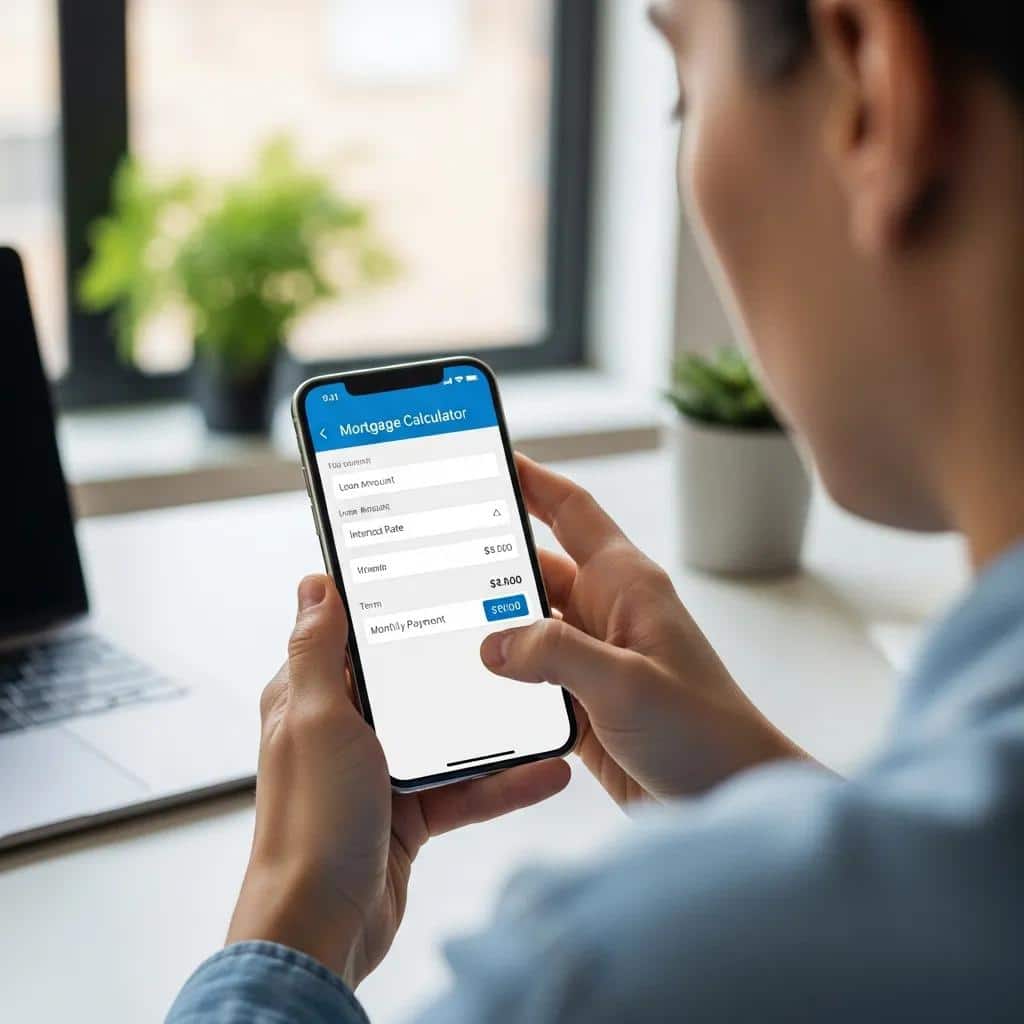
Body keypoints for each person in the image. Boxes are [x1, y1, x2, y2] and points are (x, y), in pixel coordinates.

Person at [168, 0, 1024, 1020]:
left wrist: (289, 922)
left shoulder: (603, 974)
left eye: (682, 92)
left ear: (872, 92)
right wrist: (761, 788)